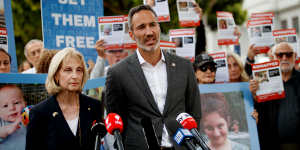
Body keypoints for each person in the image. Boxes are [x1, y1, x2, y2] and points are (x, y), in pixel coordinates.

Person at [105, 5, 201, 150]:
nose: (149, 32)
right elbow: (117, 122)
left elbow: (194, 113)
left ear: (159, 27)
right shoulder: (118, 73)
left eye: (152, 25)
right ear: (131, 34)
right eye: (141, 27)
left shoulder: (184, 66)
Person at [26, 47, 103, 150]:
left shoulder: (94, 106)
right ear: (56, 75)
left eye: (79, 70)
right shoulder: (40, 112)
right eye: (68, 70)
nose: (75, 76)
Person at [249, 42, 300, 150]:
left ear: (295, 56)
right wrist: (254, 95)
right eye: (280, 55)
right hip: (272, 144)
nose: (284, 58)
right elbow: (257, 113)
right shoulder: (261, 83)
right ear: (273, 58)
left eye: (289, 54)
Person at [0, 85, 26, 150]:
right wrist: (5, 131)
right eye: (5, 106)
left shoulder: (27, 117)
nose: (12, 108)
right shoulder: (1, 122)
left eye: (16, 103)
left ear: (24, 104)